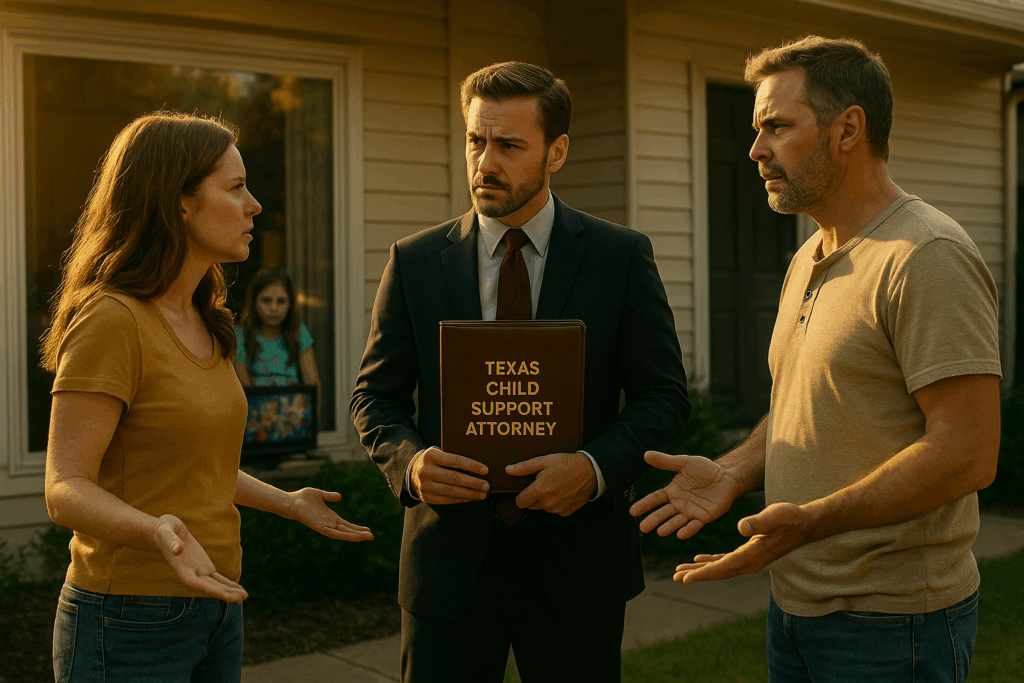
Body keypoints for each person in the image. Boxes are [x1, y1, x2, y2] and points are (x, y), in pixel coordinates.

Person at [631, 36, 1002, 683]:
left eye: (776, 126)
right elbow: (810, 407)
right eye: (756, 129)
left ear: (848, 128)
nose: (756, 150)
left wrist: (811, 521)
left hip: (893, 625)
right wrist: (734, 468)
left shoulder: (925, 254)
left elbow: (969, 449)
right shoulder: (809, 254)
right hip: (795, 608)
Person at [350, 61, 690, 683]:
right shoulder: (416, 261)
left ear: (556, 151)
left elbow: (662, 397)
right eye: (476, 141)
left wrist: (592, 470)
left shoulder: (619, 258)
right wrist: (413, 464)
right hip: (447, 562)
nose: (486, 162)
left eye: (509, 145)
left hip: (576, 562)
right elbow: (375, 395)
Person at [40, 111, 372, 683]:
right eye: (237, 187)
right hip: (127, 617)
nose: (255, 206)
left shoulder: (207, 317)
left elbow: (196, 467)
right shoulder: (112, 320)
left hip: (216, 605)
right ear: (179, 202)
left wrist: (288, 503)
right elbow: (64, 487)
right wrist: (156, 531)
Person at [233, 267, 319, 389]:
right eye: (266, 300)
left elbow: (313, 387)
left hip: (293, 407)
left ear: (291, 304)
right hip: (254, 406)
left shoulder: (298, 332)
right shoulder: (240, 334)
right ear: (254, 301)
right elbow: (244, 388)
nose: (274, 308)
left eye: (281, 301)